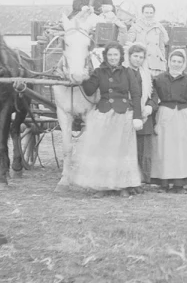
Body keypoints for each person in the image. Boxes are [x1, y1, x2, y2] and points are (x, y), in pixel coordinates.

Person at [57, 41, 144, 196]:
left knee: (122, 152)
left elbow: (136, 95)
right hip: (103, 114)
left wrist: (137, 117)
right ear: (105, 56)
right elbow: (90, 91)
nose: (112, 58)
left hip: (123, 114)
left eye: (115, 55)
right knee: (104, 152)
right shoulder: (99, 72)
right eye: (109, 55)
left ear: (120, 56)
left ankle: (123, 186)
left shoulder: (128, 72)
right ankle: (102, 187)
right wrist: (83, 78)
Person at [150, 49, 187, 193]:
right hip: (165, 116)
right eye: (174, 61)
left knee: (181, 150)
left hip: (183, 117)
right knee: (165, 149)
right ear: (169, 62)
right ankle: (164, 183)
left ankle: (179, 183)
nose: (176, 64)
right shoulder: (159, 79)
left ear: (183, 63)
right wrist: (154, 122)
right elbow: (154, 100)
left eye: (179, 62)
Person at [126, 43, 159, 190]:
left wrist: (149, 107)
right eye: (135, 56)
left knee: (143, 150)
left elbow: (154, 95)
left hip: (144, 117)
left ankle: (142, 180)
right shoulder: (124, 73)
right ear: (129, 56)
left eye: (141, 57)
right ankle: (128, 180)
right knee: (128, 150)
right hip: (127, 114)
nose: (138, 60)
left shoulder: (146, 75)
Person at [130, 4, 170, 75]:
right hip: (141, 61)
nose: (149, 15)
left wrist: (163, 60)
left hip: (155, 62)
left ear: (154, 14)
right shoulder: (136, 26)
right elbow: (129, 42)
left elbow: (161, 46)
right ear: (142, 13)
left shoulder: (158, 27)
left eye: (151, 13)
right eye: (146, 13)